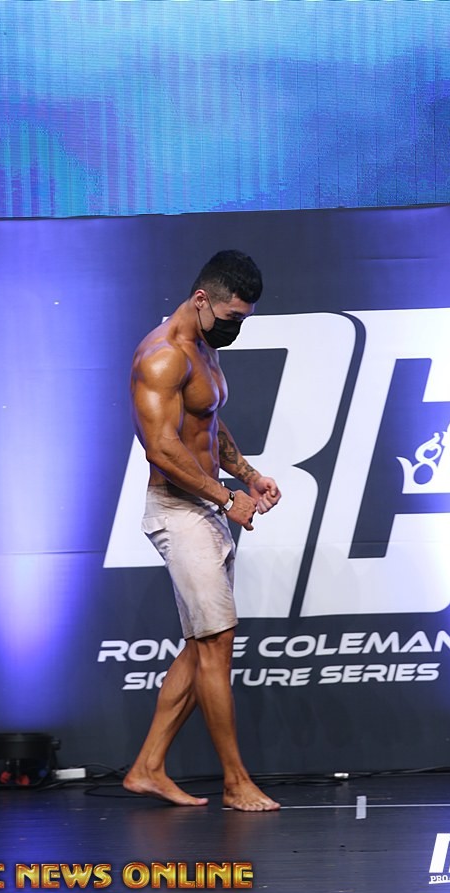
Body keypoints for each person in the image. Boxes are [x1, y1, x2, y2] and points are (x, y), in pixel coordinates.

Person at [123, 250, 282, 812]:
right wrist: (226, 497)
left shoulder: (204, 348)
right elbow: (163, 449)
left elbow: (208, 421)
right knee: (217, 643)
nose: (236, 327)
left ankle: (147, 768)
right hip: (178, 509)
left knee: (200, 648)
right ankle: (236, 783)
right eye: (232, 316)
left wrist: (249, 475)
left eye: (244, 318)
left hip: (206, 507)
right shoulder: (162, 356)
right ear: (201, 300)